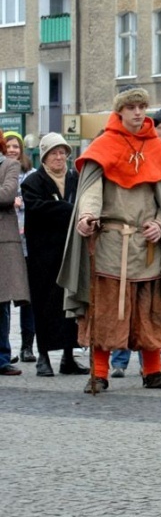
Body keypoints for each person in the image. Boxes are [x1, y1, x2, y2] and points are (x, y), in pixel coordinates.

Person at [57, 87, 161, 393]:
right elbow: (91, 191)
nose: (138, 112)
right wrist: (85, 217)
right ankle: (100, 373)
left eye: (142, 106)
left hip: (147, 246)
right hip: (110, 244)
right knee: (106, 309)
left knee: (151, 309)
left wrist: (160, 224)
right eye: (131, 107)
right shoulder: (103, 146)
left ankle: (154, 371)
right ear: (120, 111)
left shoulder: (156, 148)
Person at [21, 134, 89, 377]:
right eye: (54, 153)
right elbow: (37, 209)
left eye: (63, 153)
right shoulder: (34, 181)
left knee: (71, 303)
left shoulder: (75, 178)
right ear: (45, 157)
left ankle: (69, 357)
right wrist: (67, 208)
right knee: (44, 305)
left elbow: (85, 204)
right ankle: (43, 356)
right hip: (43, 256)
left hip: (71, 251)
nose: (59, 157)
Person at [3, 130, 36, 364]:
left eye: (17, 146)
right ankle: (6, 348)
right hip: (12, 238)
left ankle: (26, 346)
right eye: (10, 145)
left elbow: (7, 194)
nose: (13, 149)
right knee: (4, 300)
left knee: (25, 297)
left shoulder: (28, 174)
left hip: (24, 240)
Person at [0, 129, 30, 376]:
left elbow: (8, 193)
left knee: (1, 302)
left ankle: (2, 356)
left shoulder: (10, 165)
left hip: (3, 241)